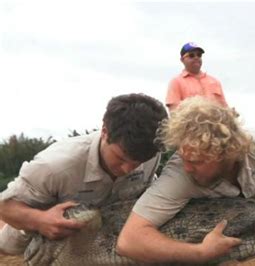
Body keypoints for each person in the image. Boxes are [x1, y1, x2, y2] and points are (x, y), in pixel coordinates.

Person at [117, 96, 255, 264]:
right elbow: (129, 240)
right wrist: (200, 252)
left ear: (227, 154)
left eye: (197, 161)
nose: (187, 168)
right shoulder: (178, 176)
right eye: (184, 158)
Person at [0, 93, 168, 255]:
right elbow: (5, 207)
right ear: (104, 131)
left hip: (102, 241)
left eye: (138, 162)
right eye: (121, 158)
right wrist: (40, 220)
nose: (128, 169)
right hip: (29, 241)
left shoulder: (151, 152)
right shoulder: (55, 165)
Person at [165, 42, 228, 111]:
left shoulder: (215, 81)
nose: (196, 57)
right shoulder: (176, 82)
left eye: (199, 55)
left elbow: (225, 109)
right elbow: (174, 112)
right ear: (182, 60)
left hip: (215, 121)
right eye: (191, 55)